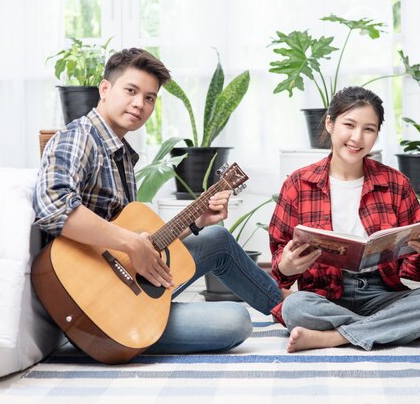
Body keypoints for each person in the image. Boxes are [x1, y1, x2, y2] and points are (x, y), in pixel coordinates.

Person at [34, 48, 282, 353]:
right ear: (105, 88)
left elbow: (141, 245)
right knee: (235, 320)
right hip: (90, 306)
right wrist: (130, 243)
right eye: (131, 91)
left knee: (215, 236)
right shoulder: (79, 137)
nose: (140, 103)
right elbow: (55, 207)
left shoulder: (121, 155)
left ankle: (287, 310)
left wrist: (197, 221)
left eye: (150, 97)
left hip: (121, 286)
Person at [269, 86, 420, 353]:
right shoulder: (298, 183)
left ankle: (333, 337)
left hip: (383, 295)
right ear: (330, 123)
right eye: (349, 125)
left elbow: (412, 269)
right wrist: (286, 266)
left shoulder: (396, 183)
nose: (357, 138)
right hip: (325, 298)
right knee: (295, 308)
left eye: (369, 129)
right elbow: (279, 266)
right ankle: (400, 329)